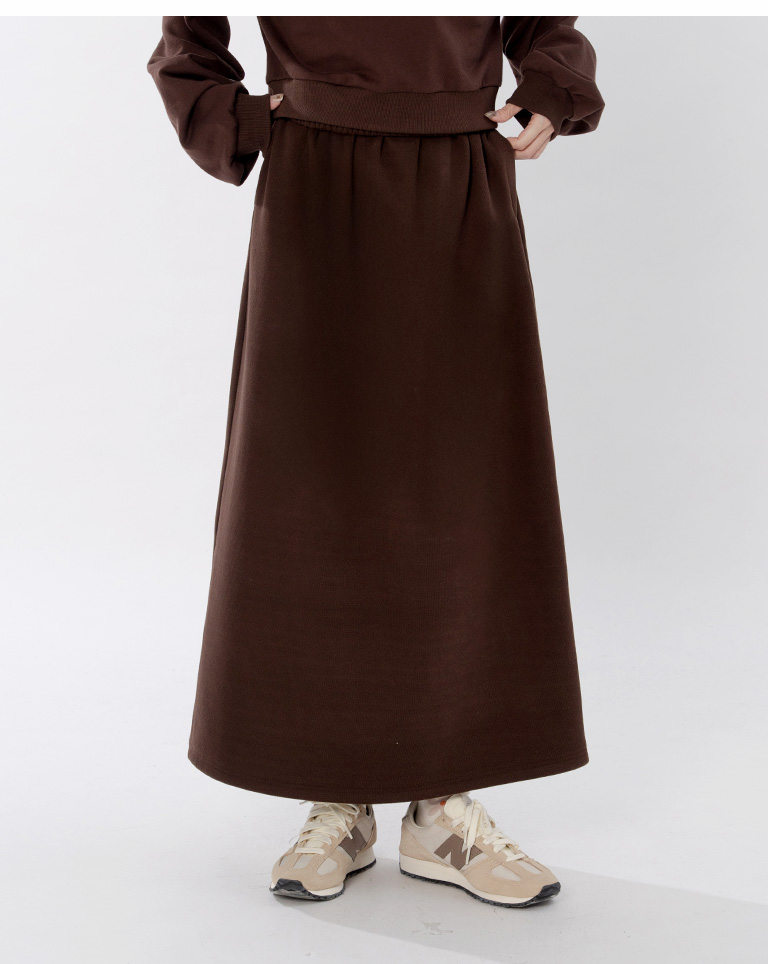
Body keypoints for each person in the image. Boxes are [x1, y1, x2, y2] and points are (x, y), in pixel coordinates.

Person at [147, 15, 604, 908]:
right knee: (312, 488)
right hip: (314, 180)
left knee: (464, 486)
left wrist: (551, 91)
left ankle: (442, 811)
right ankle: (340, 798)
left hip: (462, 176)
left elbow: (545, 22)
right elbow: (187, 40)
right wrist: (246, 119)